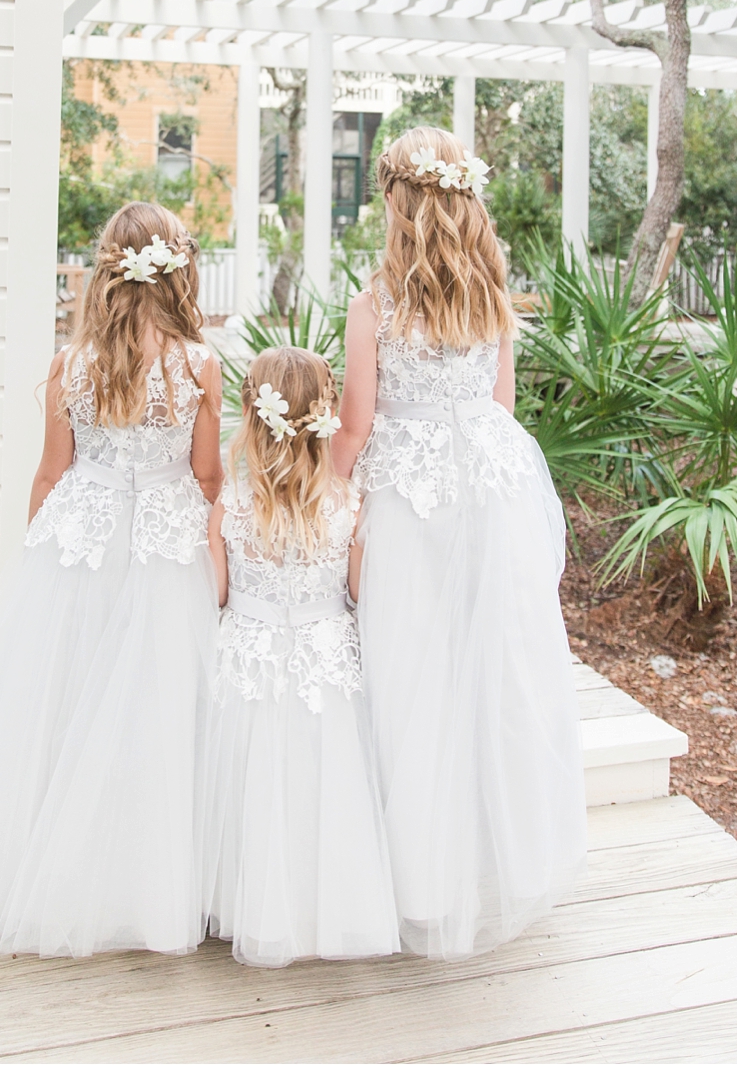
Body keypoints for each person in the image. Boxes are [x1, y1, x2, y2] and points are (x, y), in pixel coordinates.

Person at [0, 203, 222, 954]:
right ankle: (149, 880)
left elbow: (50, 472)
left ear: (108, 272)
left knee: (58, 700)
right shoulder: (199, 364)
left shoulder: (72, 365)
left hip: (81, 536)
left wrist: (38, 553)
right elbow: (206, 477)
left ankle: (37, 871)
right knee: (157, 706)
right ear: (177, 273)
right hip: (165, 542)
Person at [333, 128, 586, 961]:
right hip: (493, 482)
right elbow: (502, 402)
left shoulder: (374, 308)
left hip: (410, 496)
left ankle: (417, 879)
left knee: (412, 675)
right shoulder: (491, 291)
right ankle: (497, 863)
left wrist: (322, 489)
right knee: (498, 671)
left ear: (396, 201)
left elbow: (357, 428)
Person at [204, 347, 400, 967]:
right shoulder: (349, 504)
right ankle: (327, 902)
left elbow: (217, 596)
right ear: (326, 416)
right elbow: (360, 594)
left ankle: (243, 902)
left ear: (250, 414)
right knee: (326, 780)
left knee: (249, 779)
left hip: (247, 661)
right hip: (327, 664)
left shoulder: (229, 508)